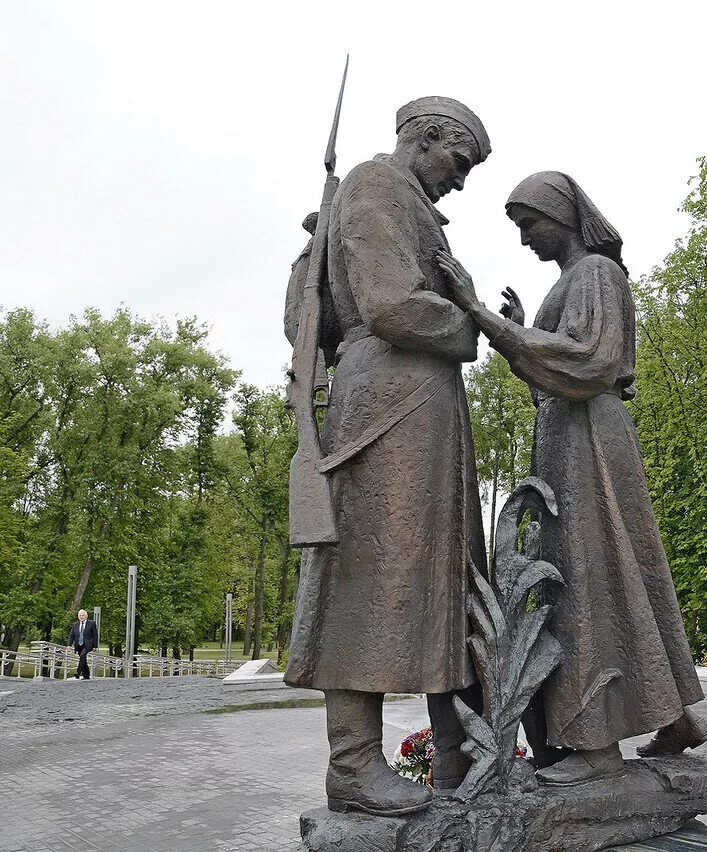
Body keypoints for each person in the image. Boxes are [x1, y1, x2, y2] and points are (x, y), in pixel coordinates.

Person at [436, 171, 707, 787]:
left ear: (560, 215)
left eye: (530, 224)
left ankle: (598, 744)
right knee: (610, 573)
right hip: (570, 433)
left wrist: (484, 317)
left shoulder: (596, 275)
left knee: (590, 576)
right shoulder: (571, 283)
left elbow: (592, 363)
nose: (526, 239)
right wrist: (523, 330)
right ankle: (675, 719)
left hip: (588, 438)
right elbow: (552, 374)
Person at [283, 96, 490, 817]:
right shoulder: (374, 187)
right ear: (427, 137)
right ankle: (354, 764)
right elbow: (390, 304)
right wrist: (470, 322)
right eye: (458, 163)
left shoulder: (393, 200)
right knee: (373, 576)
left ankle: (460, 756)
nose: (460, 181)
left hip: (417, 404)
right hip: (391, 404)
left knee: (443, 577)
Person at [66, 609, 98, 680]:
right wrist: (69, 645)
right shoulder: (75, 625)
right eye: (80, 615)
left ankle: (78, 672)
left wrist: (95, 646)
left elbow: (95, 635)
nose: (81, 617)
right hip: (79, 645)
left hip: (88, 644)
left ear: (86, 616)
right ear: (78, 616)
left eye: (83, 615)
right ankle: (86, 675)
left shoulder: (92, 623)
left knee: (83, 655)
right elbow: (71, 635)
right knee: (83, 658)